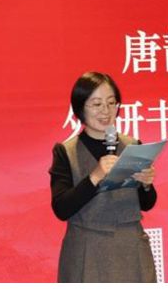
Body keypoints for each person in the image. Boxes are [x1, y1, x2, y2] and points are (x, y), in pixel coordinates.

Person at [50, 71, 158, 282]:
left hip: (131, 249)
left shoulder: (133, 146)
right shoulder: (66, 152)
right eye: (96, 104)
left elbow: (147, 204)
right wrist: (95, 176)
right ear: (80, 108)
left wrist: (146, 185)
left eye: (111, 103)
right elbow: (61, 209)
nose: (106, 111)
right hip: (86, 249)